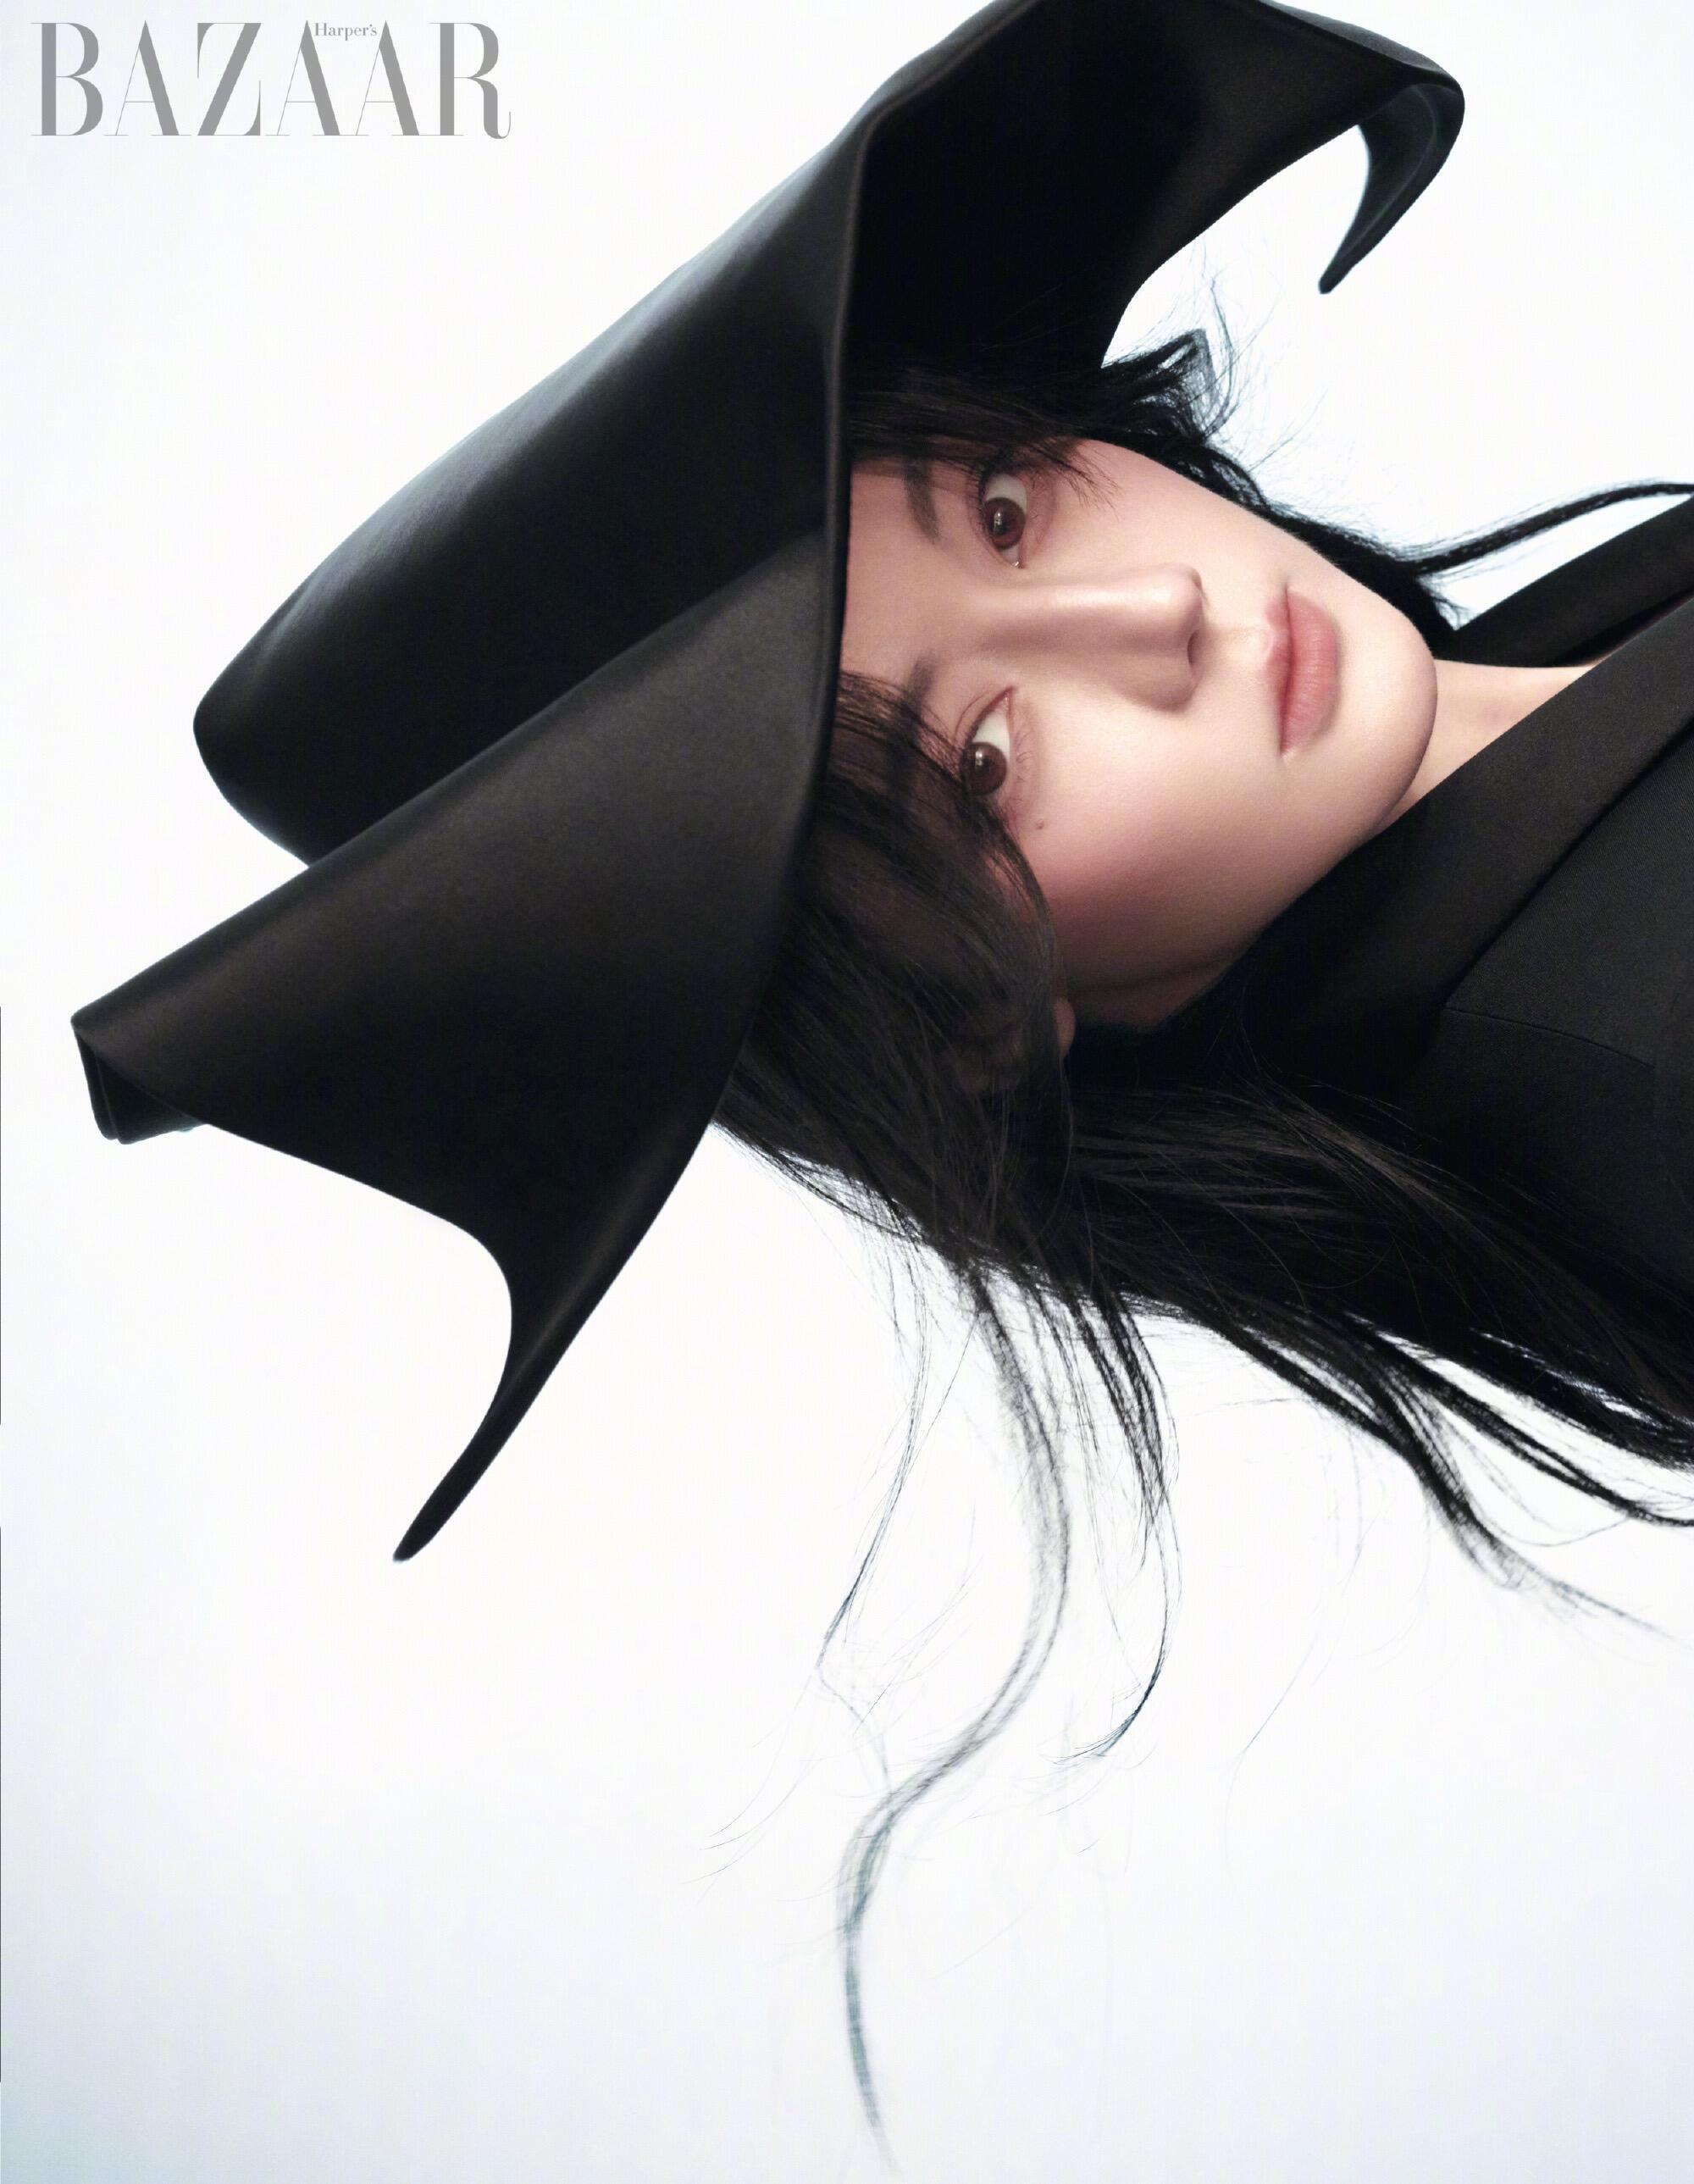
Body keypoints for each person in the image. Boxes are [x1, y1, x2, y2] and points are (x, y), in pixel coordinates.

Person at [67, 0, 1694, 2131]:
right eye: (985, 764)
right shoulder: (1634, 1034)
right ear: (982, 1014)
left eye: (1005, 510)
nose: (1152, 620)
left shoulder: (1586, 703)